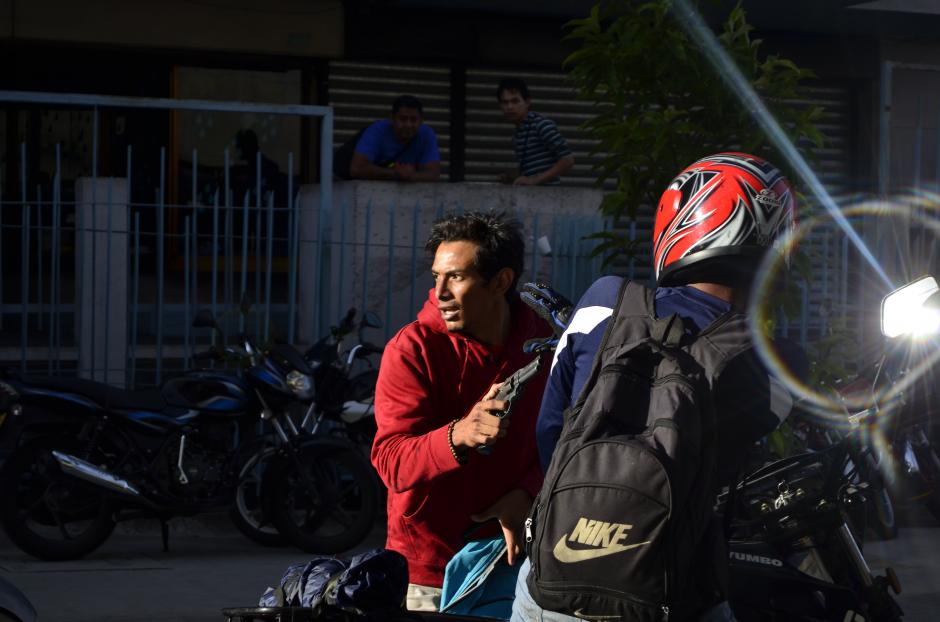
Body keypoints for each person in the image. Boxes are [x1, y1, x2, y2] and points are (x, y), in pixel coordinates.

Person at [512, 152, 800, 622]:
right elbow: (736, 466)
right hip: (674, 591)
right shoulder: (776, 360)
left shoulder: (603, 301)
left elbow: (549, 430)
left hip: (554, 583)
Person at [371, 211, 551, 612]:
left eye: (456, 277)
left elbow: (567, 438)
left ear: (501, 281)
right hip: (429, 572)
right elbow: (390, 460)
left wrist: (528, 492)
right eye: (436, 277)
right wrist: (459, 435)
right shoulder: (412, 349)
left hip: (517, 563)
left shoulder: (545, 346)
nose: (440, 292)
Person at [496, 78, 575, 186]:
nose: (509, 107)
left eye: (515, 101)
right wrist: (512, 179)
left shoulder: (541, 125)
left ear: (527, 102)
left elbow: (568, 160)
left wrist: (534, 181)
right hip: (532, 198)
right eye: (505, 102)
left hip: (550, 197)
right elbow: (531, 174)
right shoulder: (517, 135)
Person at [349, 95, 441, 182]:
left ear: (421, 121)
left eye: (413, 120)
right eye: (403, 119)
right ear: (392, 119)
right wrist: (396, 173)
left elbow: (433, 174)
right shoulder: (377, 130)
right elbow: (357, 168)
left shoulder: (427, 134)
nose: (408, 125)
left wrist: (410, 175)